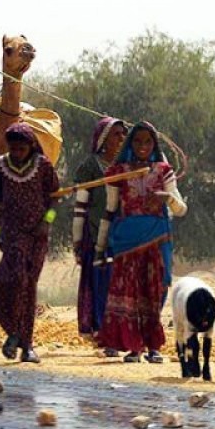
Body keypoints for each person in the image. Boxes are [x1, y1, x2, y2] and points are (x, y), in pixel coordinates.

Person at [95, 121, 188, 363]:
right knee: (130, 293)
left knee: (155, 290)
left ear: (154, 144)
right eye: (137, 141)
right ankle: (133, 347)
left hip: (156, 240)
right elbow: (110, 209)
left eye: (147, 142)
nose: (143, 146)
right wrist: (99, 246)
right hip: (126, 241)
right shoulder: (120, 172)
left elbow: (181, 209)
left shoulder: (163, 171)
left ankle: (152, 347)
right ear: (130, 143)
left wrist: (166, 197)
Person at [0, 122, 60, 363]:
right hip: (12, 233)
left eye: (21, 149)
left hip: (37, 235)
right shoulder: (0, 167)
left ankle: (26, 344)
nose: (17, 153)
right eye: (13, 149)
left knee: (28, 285)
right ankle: (14, 332)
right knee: (0, 283)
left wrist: (47, 222)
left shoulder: (43, 166)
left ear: (31, 146)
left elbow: (54, 199)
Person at [72, 117, 127, 352]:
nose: (121, 139)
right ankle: (102, 332)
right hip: (97, 237)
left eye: (124, 134)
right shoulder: (90, 168)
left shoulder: (128, 167)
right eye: (116, 134)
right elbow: (80, 208)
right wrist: (77, 241)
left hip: (124, 238)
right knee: (102, 285)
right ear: (104, 140)